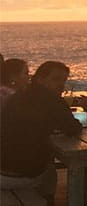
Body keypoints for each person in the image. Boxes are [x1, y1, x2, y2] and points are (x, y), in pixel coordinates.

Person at [0, 61, 82, 204]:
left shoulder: (18, 96)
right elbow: (73, 127)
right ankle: (48, 201)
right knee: (49, 171)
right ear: (40, 79)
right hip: (19, 176)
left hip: (2, 168)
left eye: (64, 80)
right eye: (56, 79)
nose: (61, 85)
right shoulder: (52, 99)